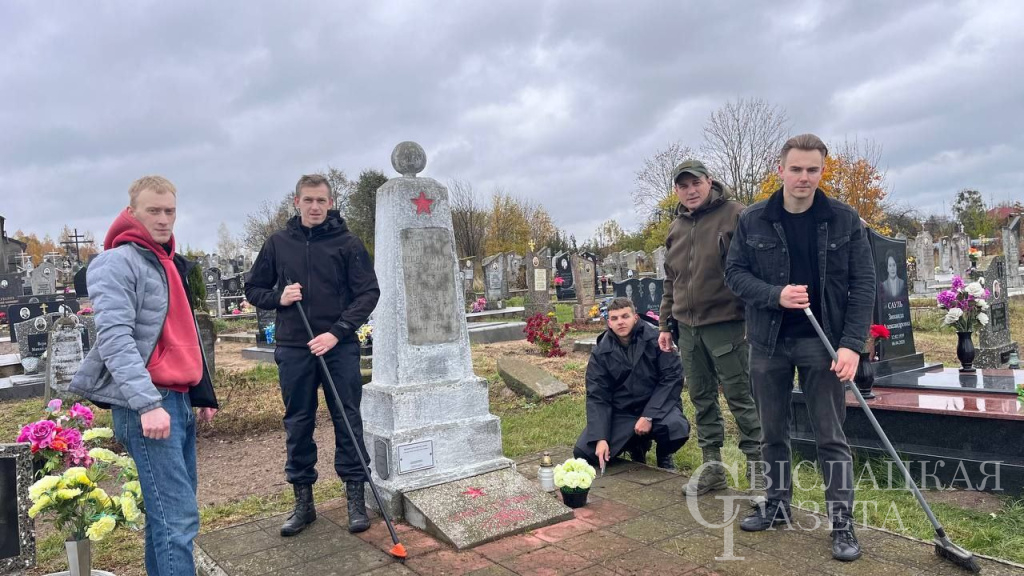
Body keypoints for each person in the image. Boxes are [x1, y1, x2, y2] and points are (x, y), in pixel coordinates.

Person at [725, 134, 875, 562]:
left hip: (823, 344)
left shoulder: (844, 219)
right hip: (768, 342)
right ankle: (777, 505)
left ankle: (842, 522)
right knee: (772, 432)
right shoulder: (753, 219)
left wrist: (852, 346)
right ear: (780, 170)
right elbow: (734, 274)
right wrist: (775, 295)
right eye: (796, 169)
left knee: (830, 436)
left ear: (822, 171)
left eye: (812, 169)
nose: (804, 177)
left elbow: (864, 284)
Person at [70, 175, 218, 576]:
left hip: (178, 399)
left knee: (167, 517)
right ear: (132, 212)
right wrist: (148, 404)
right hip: (149, 404)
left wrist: (201, 394)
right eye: (154, 210)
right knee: (178, 519)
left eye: (170, 211)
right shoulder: (116, 263)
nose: (164, 218)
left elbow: (183, 333)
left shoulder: (168, 261)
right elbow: (115, 339)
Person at [245, 174, 380, 536]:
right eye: (308, 200)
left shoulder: (348, 243)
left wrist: (336, 333)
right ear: (297, 202)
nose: (315, 207)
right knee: (298, 422)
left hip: (338, 346)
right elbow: (253, 288)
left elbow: (368, 293)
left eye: (321, 200)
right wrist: (279, 297)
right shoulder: (278, 243)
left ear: (330, 203)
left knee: (347, 419)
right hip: (294, 347)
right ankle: (304, 503)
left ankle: (355, 499)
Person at [657, 160, 764, 498]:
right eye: (683, 186)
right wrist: (665, 324)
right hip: (688, 329)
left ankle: (760, 473)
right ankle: (712, 469)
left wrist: (752, 317)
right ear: (677, 190)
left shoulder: (736, 215)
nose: (691, 191)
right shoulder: (676, 228)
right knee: (701, 398)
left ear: (709, 181)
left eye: (696, 183)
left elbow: (755, 269)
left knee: (741, 398)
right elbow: (671, 281)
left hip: (728, 324)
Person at [573, 297, 689, 469]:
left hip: (656, 406)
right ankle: (637, 446)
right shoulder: (601, 352)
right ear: (609, 323)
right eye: (614, 318)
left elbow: (672, 378)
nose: (620, 322)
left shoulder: (656, 339)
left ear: (635, 317)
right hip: (623, 411)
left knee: (676, 427)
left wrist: (648, 415)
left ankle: (664, 454)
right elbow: (597, 395)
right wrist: (600, 438)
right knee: (584, 453)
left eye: (625, 316)